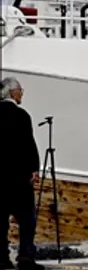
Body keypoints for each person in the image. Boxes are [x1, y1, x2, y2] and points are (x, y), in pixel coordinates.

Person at [1, 78, 41, 270]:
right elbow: (28, 145)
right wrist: (34, 169)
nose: (22, 93)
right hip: (18, 177)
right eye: (20, 90)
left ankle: (1, 258)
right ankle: (25, 257)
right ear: (12, 92)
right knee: (26, 219)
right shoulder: (21, 115)